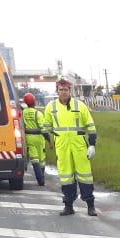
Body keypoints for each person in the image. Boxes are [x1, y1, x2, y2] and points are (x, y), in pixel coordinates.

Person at [41, 80, 98, 216]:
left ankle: (90, 205)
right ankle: (68, 205)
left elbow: (91, 127)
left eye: (66, 89)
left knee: (85, 176)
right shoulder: (51, 107)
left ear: (70, 90)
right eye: (61, 90)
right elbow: (45, 127)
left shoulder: (80, 105)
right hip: (62, 147)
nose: (63, 92)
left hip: (79, 147)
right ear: (57, 91)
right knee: (66, 177)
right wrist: (50, 140)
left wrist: (92, 145)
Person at [20, 93, 48, 186]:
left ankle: (40, 180)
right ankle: (42, 178)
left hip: (28, 138)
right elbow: (43, 129)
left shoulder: (23, 113)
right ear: (34, 101)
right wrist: (49, 140)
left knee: (34, 159)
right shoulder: (38, 113)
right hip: (39, 138)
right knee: (41, 160)